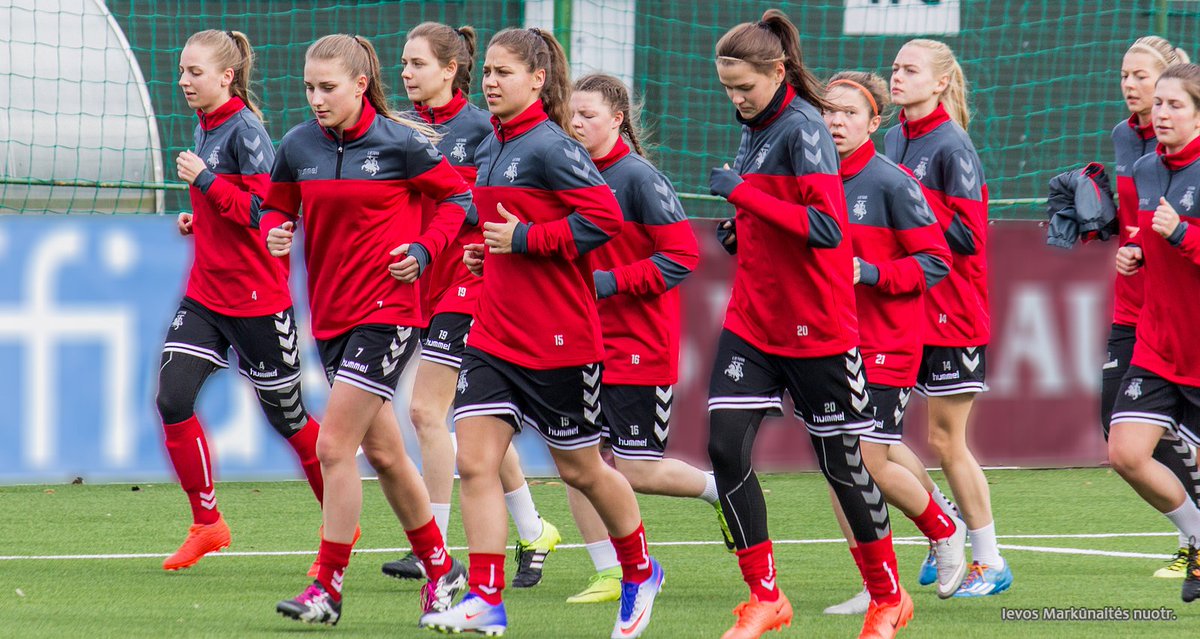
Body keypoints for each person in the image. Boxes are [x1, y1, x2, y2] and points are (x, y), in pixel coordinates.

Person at [418, 28, 663, 639]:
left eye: (505, 72)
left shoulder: (554, 147)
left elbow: (603, 220)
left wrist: (524, 242)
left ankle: (640, 570)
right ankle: (486, 599)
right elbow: (504, 226)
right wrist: (488, 256)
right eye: (489, 72)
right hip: (495, 335)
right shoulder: (493, 146)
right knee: (475, 463)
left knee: (581, 471)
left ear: (537, 80)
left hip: (559, 341)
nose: (492, 82)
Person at [706, 10, 911, 639]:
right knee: (722, 448)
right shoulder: (756, 125)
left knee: (841, 464)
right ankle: (765, 597)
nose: (736, 99)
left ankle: (889, 598)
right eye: (727, 88)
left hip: (816, 327)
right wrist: (742, 228)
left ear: (777, 71)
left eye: (744, 86)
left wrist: (742, 197)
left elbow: (826, 229)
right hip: (752, 319)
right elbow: (776, 216)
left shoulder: (805, 130)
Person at [263, 33, 472, 626]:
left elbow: (460, 202)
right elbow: (278, 207)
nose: (316, 98)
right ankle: (442, 571)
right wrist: (275, 230)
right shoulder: (298, 143)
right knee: (384, 454)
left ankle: (326, 587)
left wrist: (426, 250)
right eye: (308, 87)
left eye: (327, 87)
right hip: (330, 316)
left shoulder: (401, 142)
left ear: (360, 85)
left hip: (389, 312)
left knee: (334, 446)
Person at [380, 20, 562, 590]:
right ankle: (534, 530)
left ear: (449, 69)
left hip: (473, 278)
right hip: (423, 280)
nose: (406, 74)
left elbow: (480, 205)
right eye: (403, 64)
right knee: (479, 423)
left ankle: (431, 547)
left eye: (417, 64)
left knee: (424, 411)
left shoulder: (483, 127)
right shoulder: (397, 129)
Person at [560, 73, 731, 605]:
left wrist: (609, 283)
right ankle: (612, 571)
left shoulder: (638, 178)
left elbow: (682, 256)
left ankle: (721, 492)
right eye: (571, 115)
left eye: (588, 114)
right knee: (577, 462)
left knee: (636, 468)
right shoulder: (562, 173)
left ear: (617, 119)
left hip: (637, 342)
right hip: (575, 340)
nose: (577, 123)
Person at [158, 28, 324, 573]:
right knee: (172, 399)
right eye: (182, 70)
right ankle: (207, 523)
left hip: (257, 301)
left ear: (227, 76)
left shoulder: (246, 130)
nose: (183, 80)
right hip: (206, 295)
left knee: (290, 421)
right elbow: (227, 210)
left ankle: (338, 521)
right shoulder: (205, 126)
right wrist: (197, 217)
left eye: (195, 72)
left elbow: (266, 215)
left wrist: (206, 182)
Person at [818, 71, 965, 614]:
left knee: (864, 458)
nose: (836, 121)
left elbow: (936, 260)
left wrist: (872, 273)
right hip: (830, 343)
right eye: (828, 111)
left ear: (873, 122)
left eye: (849, 113)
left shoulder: (892, 182)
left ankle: (943, 527)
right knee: (839, 470)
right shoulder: (810, 179)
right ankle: (878, 585)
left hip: (888, 343)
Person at [885, 38, 1009, 597]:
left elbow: (966, 235)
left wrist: (910, 207)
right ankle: (943, 523)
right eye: (894, 68)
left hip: (952, 312)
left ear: (939, 83)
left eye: (910, 70)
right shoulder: (892, 138)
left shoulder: (952, 145)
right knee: (878, 438)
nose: (897, 77)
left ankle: (990, 560)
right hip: (904, 308)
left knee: (945, 440)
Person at [1103, 36, 1199, 578]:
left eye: (1174, 105)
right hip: (1158, 340)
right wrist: (1136, 249)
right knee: (1124, 452)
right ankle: (1198, 536)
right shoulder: (1144, 169)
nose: (1160, 112)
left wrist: (1182, 232)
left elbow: (1181, 234)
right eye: (1157, 104)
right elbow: (1146, 232)